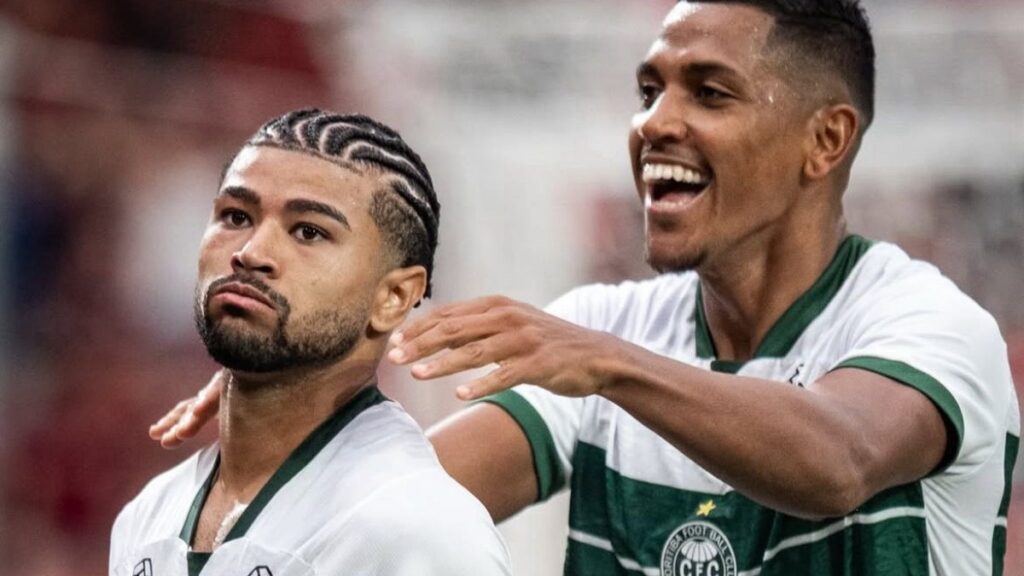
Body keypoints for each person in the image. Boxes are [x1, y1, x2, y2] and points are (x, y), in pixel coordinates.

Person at [151, 2, 1020, 574]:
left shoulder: (930, 327)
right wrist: (292, 391)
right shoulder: (605, 328)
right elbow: (397, 504)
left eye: (709, 93)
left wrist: (610, 366)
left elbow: (838, 463)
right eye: (649, 90)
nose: (654, 122)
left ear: (825, 140)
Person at [112, 109, 512, 576]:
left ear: (394, 297)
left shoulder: (419, 531)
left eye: (308, 231)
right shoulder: (148, 515)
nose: (250, 253)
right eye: (236, 216)